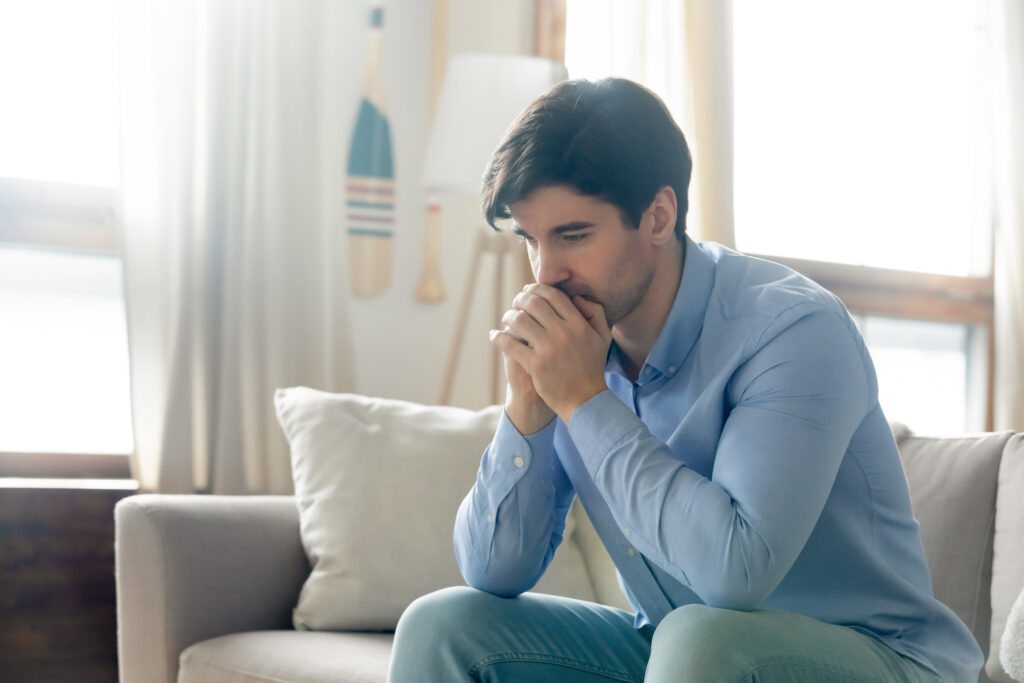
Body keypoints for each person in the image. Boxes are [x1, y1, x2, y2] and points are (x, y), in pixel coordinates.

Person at [387, 77, 982, 682]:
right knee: (443, 626)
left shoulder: (793, 329)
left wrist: (586, 403)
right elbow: (494, 572)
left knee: (700, 639)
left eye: (573, 236)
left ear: (658, 216)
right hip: (680, 650)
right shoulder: (580, 348)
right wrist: (527, 407)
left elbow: (735, 573)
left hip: (879, 662)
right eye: (530, 241)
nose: (546, 274)